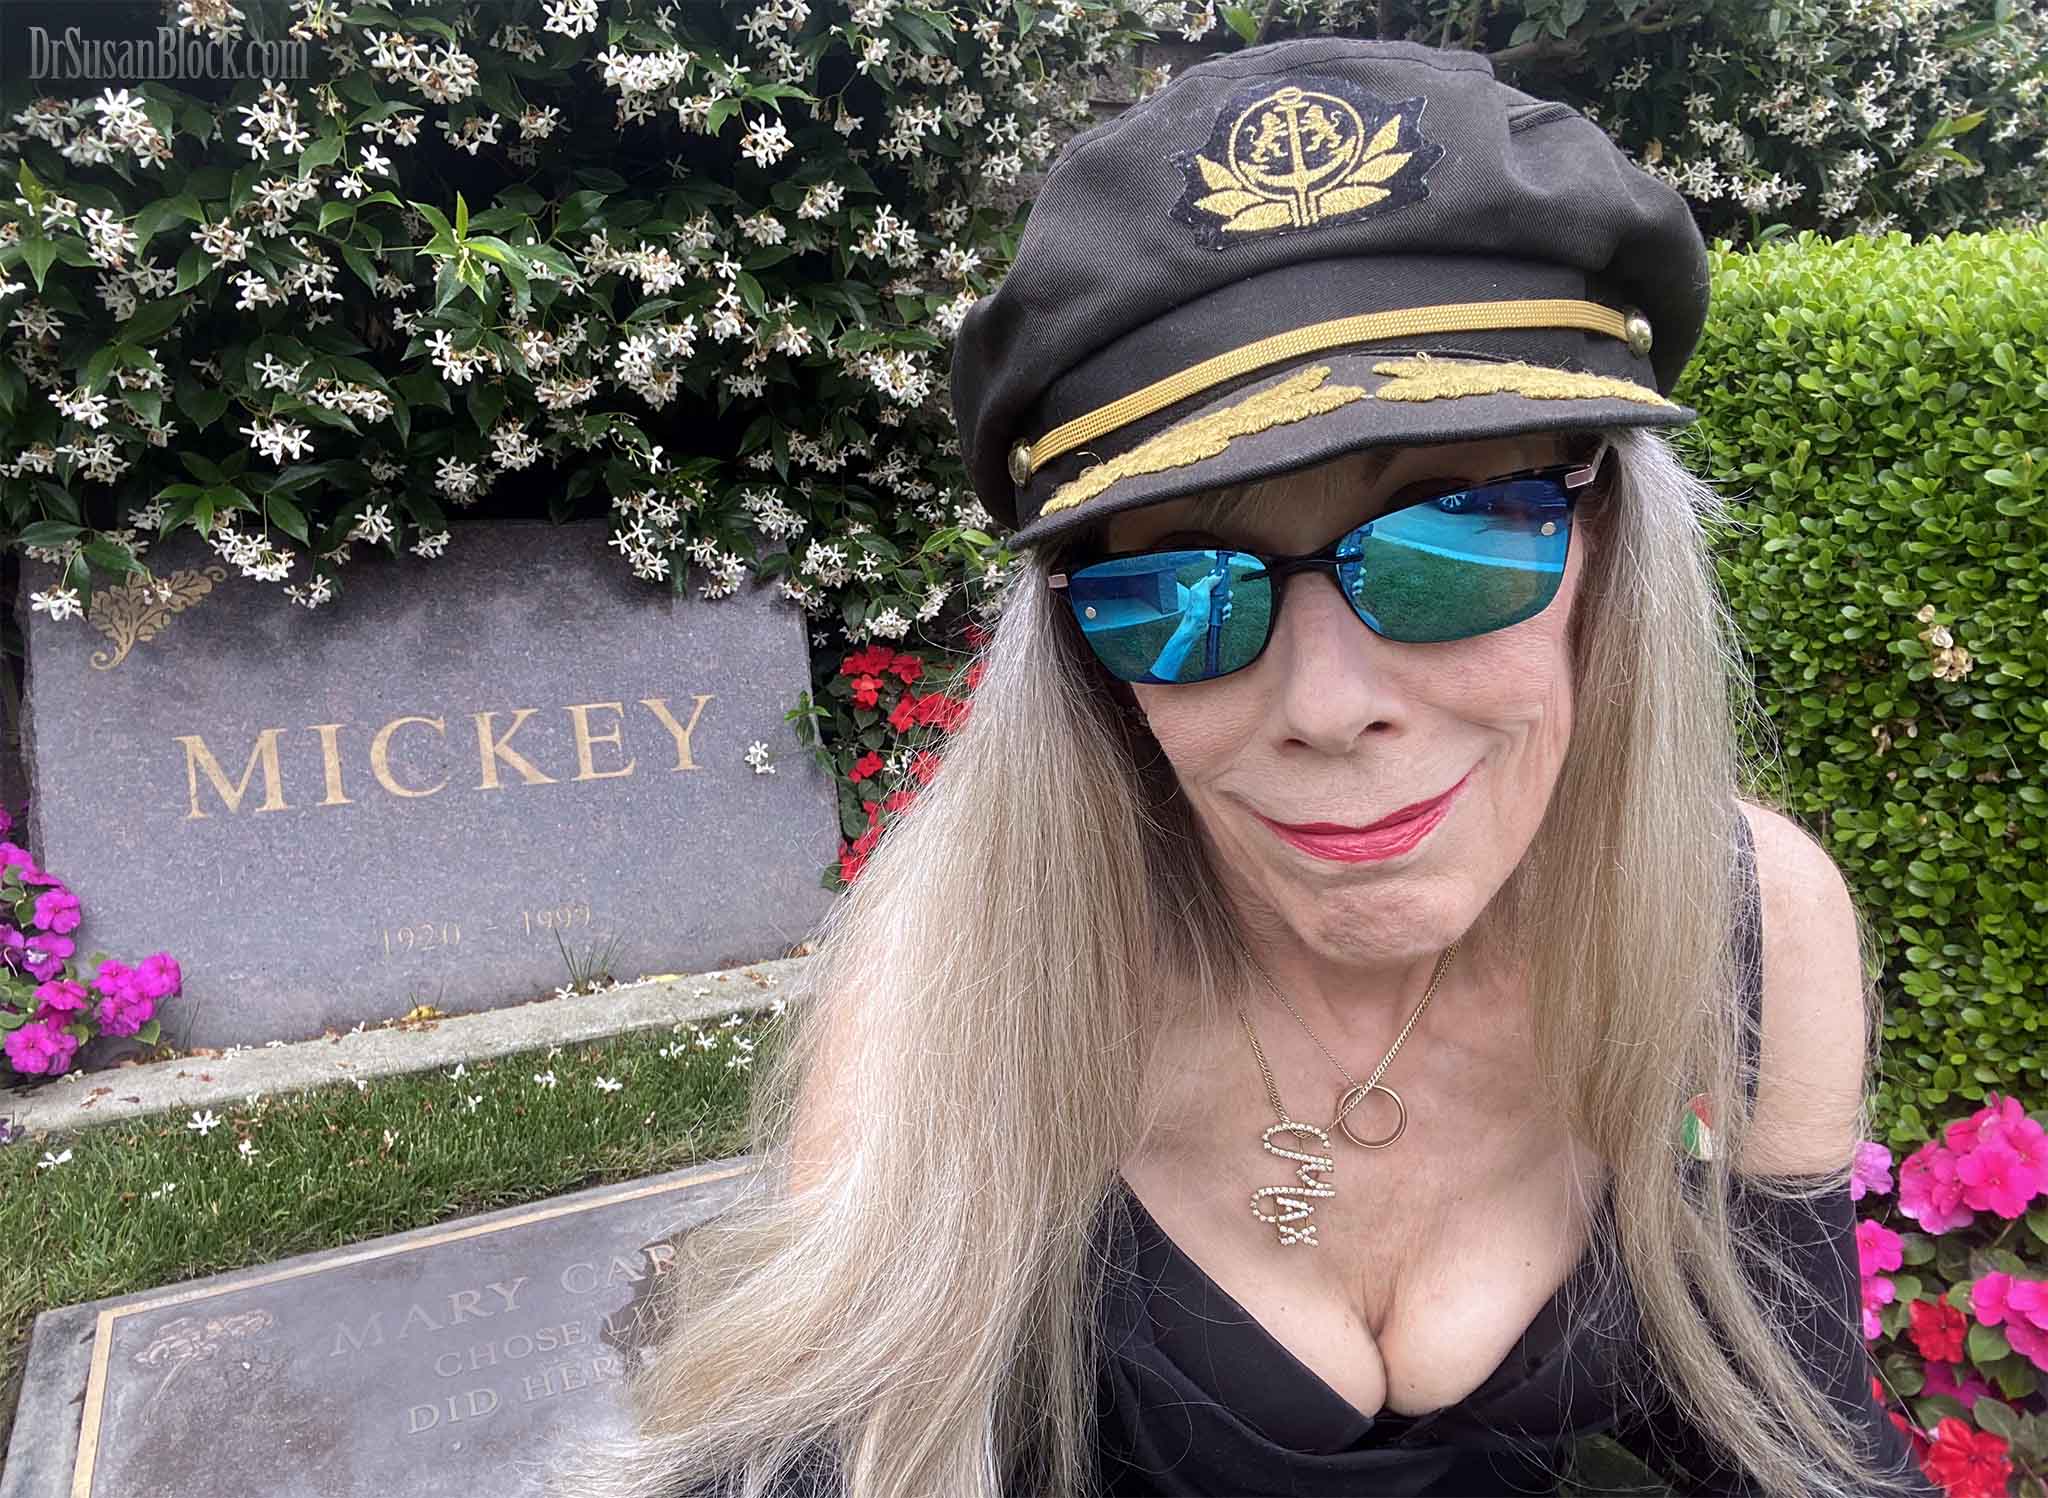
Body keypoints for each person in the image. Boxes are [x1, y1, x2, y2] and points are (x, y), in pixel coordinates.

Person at [545, 35, 1942, 1498]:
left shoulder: (1747, 926)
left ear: (1608, 551)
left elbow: (1797, 1447)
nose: (1327, 707)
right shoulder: (964, 973)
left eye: (1449, 542)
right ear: (1087, 657)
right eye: (1181, 590)